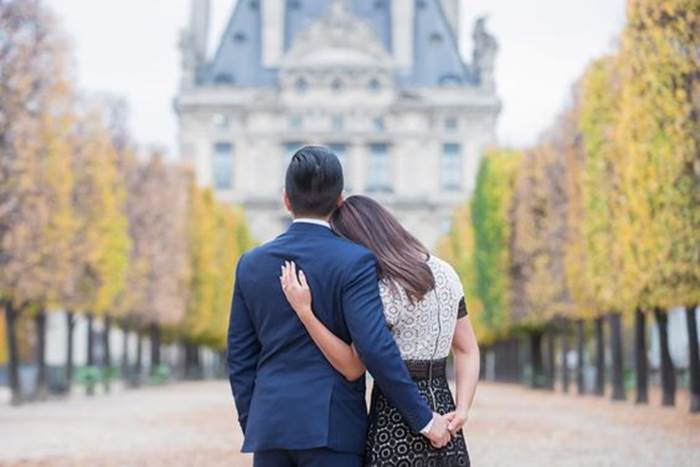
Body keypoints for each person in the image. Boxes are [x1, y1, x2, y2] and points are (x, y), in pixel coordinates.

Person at [227, 146, 452, 467]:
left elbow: (239, 357)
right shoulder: (354, 260)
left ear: (286, 199)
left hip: (271, 427)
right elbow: (375, 347)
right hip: (333, 428)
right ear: (340, 200)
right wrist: (424, 419)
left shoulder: (250, 264)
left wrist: (254, 422)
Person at [280, 194, 480, 466]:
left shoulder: (382, 289)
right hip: (446, 415)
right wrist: (463, 409)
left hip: (396, 418)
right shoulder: (446, 272)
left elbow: (353, 364)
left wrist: (305, 312)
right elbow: (467, 349)